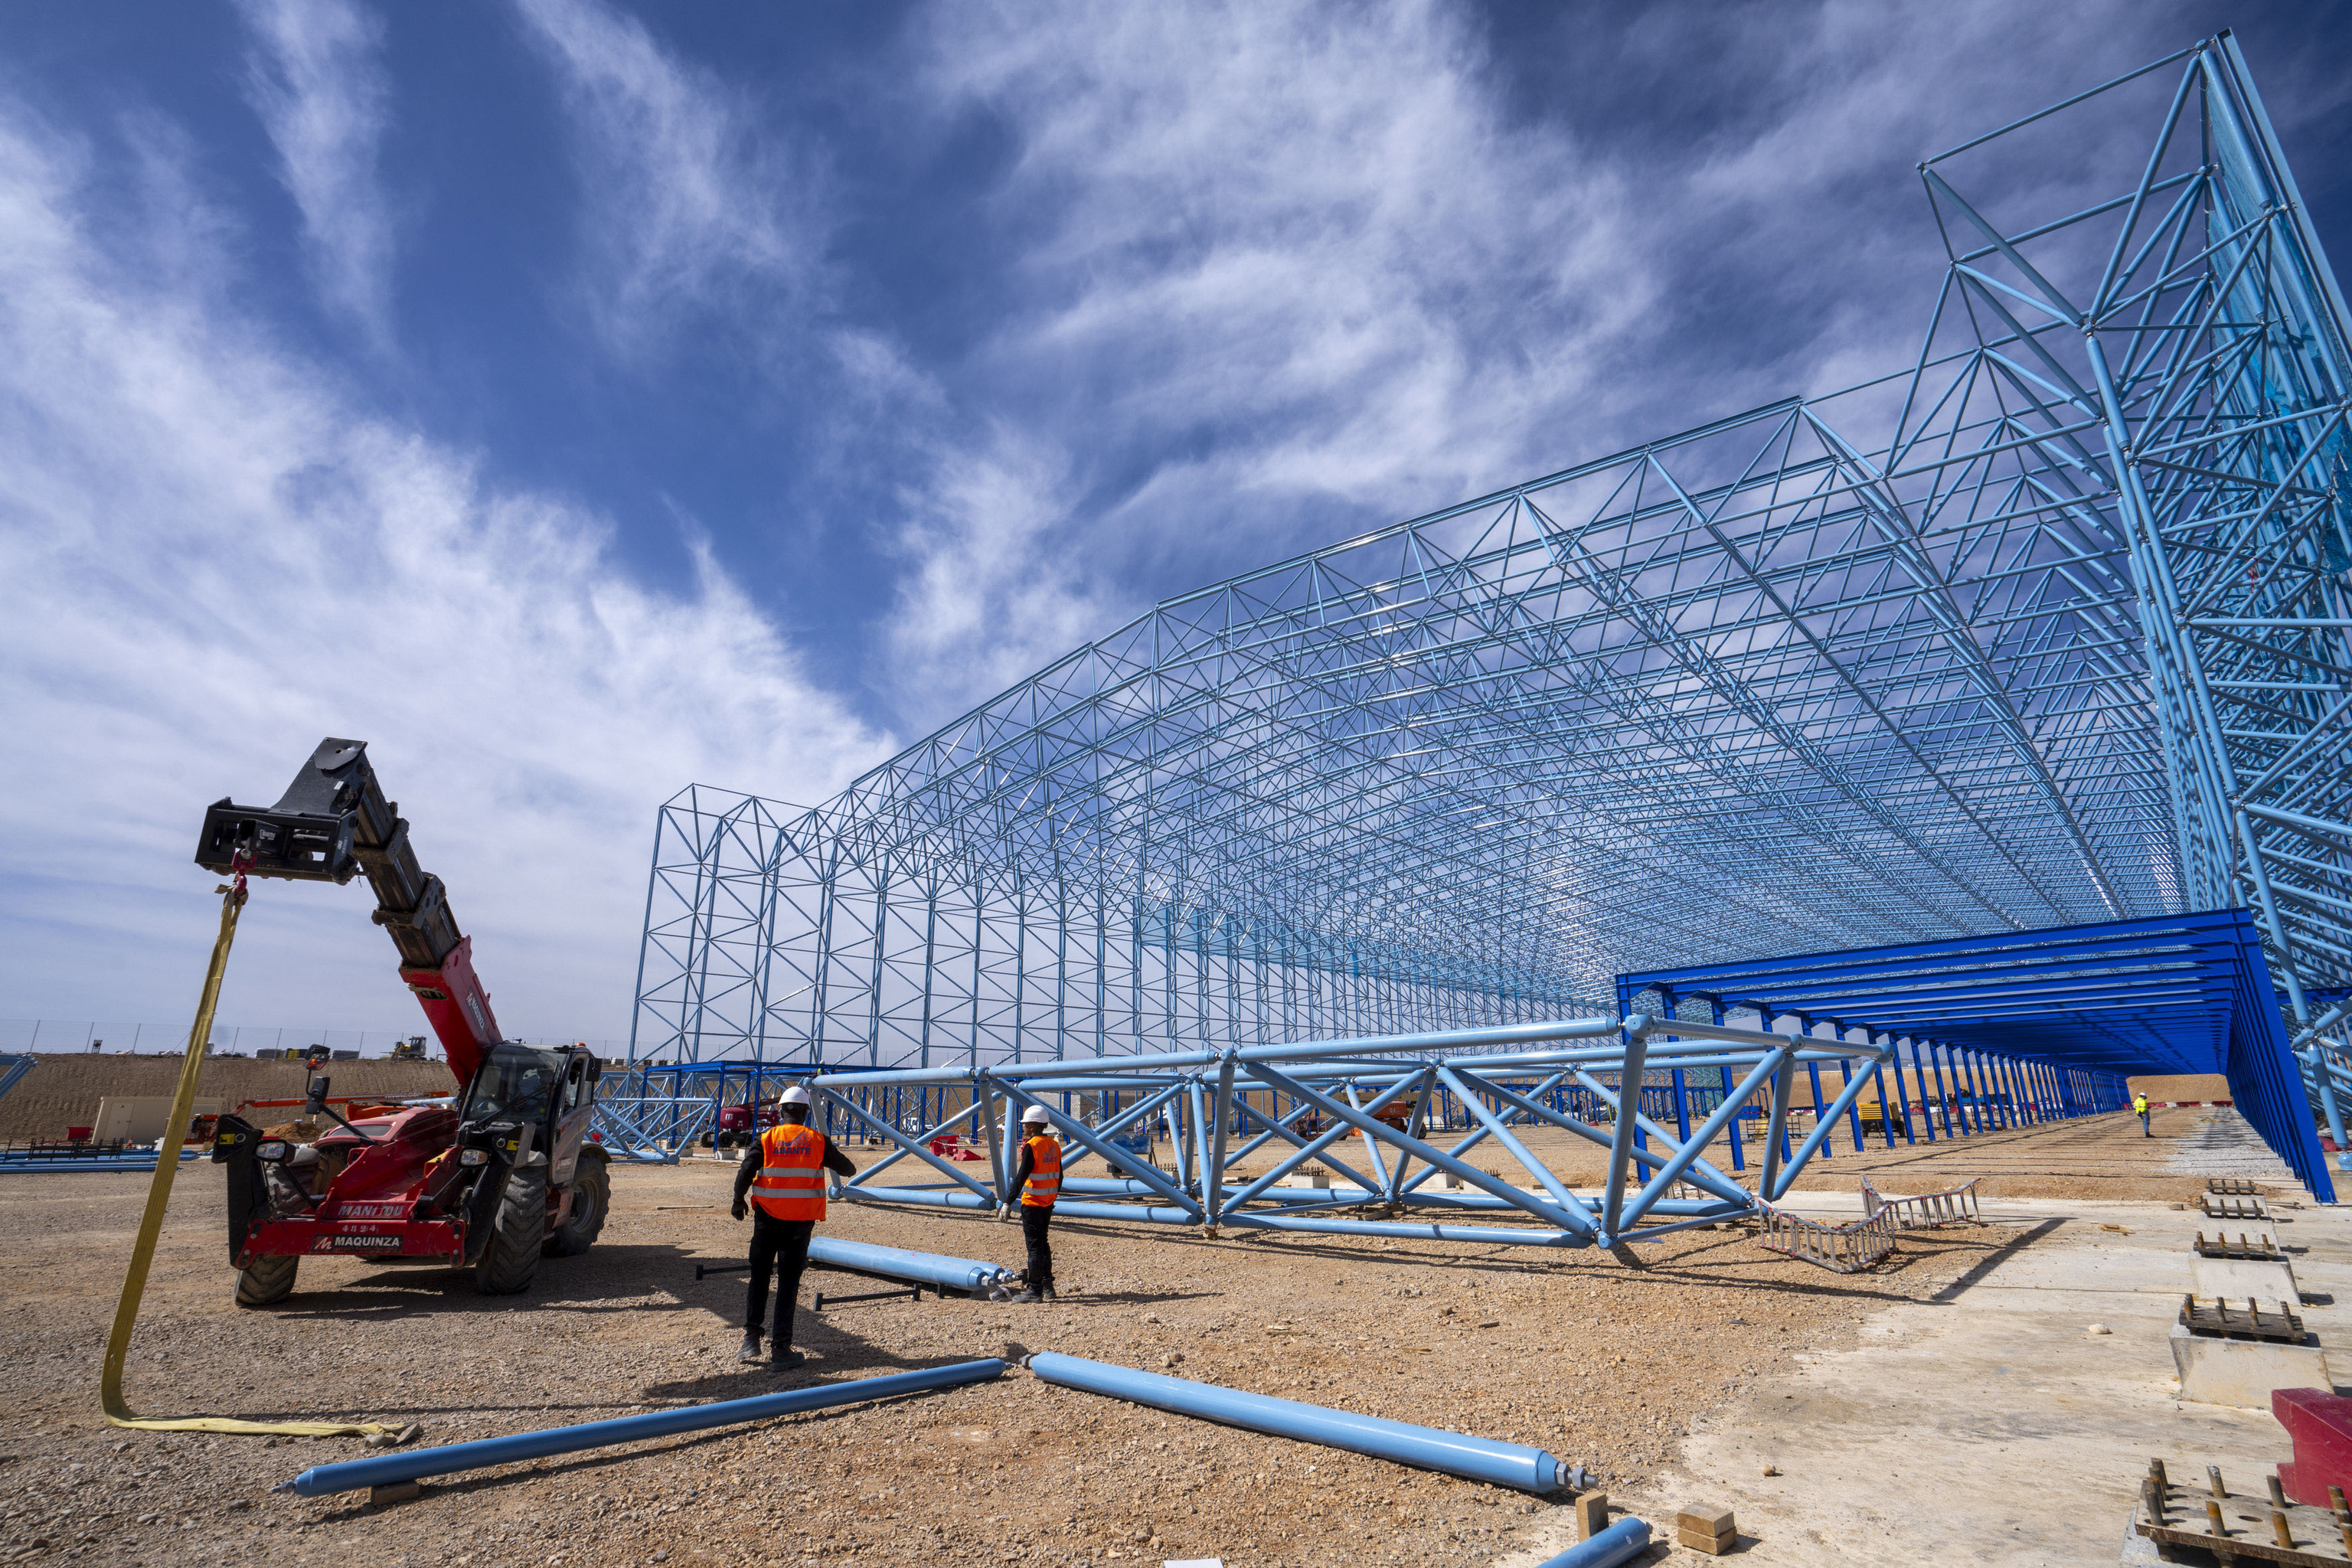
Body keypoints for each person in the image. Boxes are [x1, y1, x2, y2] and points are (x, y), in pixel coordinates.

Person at [732, 1084, 854, 1367]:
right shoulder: (817, 1141)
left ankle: (751, 1339)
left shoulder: (767, 1138)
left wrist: (738, 1200)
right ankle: (781, 1349)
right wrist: (823, 1154)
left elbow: (746, 1170)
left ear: (781, 1112)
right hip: (799, 1224)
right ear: (805, 1113)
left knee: (759, 1277)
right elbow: (849, 1169)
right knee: (788, 1283)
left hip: (767, 1219)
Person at [1004, 1103, 1060, 1302]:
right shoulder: (1054, 1145)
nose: (1023, 1127)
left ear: (1034, 1126)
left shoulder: (1032, 1146)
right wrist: (1052, 1196)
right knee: (1043, 1244)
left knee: (1035, 1248)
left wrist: (1008, 1202)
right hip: (1047, 1203)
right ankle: (1047, 1285)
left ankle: (1034, 1291)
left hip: (1033, 1204)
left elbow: (1021, 1177)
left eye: (1026, 1124)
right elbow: (1060, 1176)